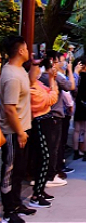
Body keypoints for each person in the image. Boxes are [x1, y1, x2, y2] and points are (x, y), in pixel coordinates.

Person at [0, 35, 35, 223]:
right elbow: (9, 108)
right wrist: (20, 132)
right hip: (14, 132)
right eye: (27, 48)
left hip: (23, 129)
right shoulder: (11, 75)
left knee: (20, 169)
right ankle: (8, 210)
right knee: (10, 170)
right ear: (20, 50)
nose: (29, 51)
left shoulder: (19, 69)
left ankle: (16, 201)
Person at [39, 51, 75, 187]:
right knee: (53, 147)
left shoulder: (40, 76)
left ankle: (46, 174)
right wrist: (71, 71)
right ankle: (51, 175)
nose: (61, 64)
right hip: (54, 113)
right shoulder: (53, 77)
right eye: (58, 61)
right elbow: (70, 86)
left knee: (49, 147)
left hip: (46, 114)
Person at [28, 59, 59, 208]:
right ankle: (36, 194)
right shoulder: (31, 89)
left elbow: (51, 94)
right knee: (44, 156)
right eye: (35, 68)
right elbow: (51, 98)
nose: (38, 70)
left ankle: (40, 189)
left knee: (45, 157)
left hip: (45, 121)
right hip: (39, 123)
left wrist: (52, 83)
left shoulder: (37, 84)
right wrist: (53, 80)